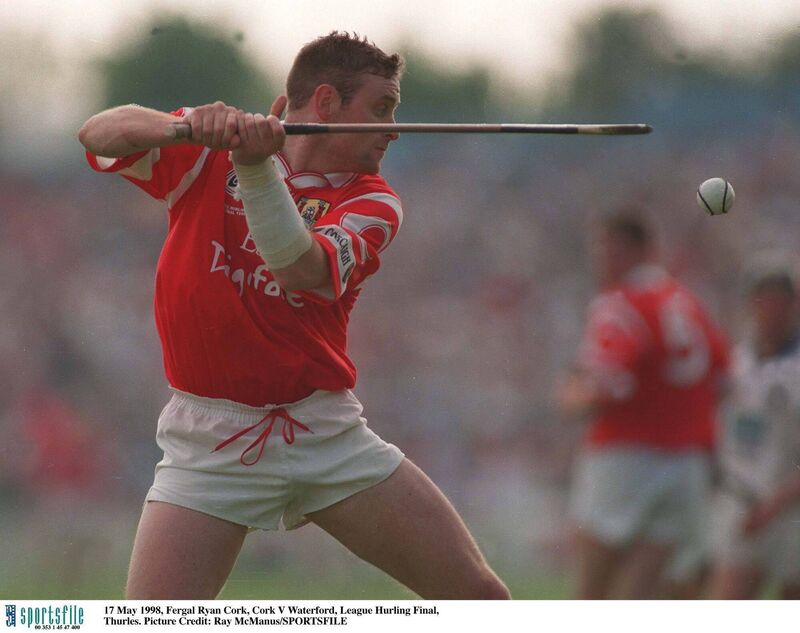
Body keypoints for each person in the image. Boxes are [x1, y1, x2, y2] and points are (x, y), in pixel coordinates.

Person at [78, 31, 509, 600]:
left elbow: (299, 269)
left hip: (323, 432)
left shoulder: (373, 201)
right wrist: (184, 126)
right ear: (327, 103)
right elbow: (98, 133)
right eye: (381, 109)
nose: (394, 129)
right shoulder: (208, 153)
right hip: (210, 438)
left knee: (479, 599)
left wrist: (253, 167)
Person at [557, 210, 729, 599]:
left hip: (624, 458)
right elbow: (723, 377)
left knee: (591, 590)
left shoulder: (619, 304)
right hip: (685, 464)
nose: (601, 261)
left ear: (633, 251)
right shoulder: (687, 302)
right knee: (643, 593)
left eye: (607, 250)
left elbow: (604, 387)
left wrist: (569, 394)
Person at [709, 253, 800, 599]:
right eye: (762, 298)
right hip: (741, 502)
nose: (769, 309)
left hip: (790, 508)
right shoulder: (736, 362)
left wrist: (776, 504)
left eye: (779, 299)